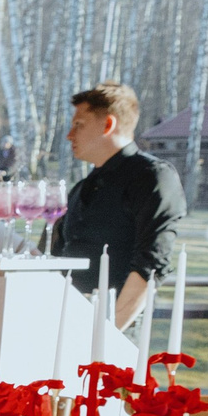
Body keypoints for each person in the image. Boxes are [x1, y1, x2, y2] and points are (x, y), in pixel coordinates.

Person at [54, 82, 187, 326]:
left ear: (108, 124)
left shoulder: (153, 177)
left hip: (116, 335)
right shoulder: (80, 188)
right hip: (66, 326)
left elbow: (151, 267)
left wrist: (107, 336)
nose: (69, 135)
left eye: (78, 125)